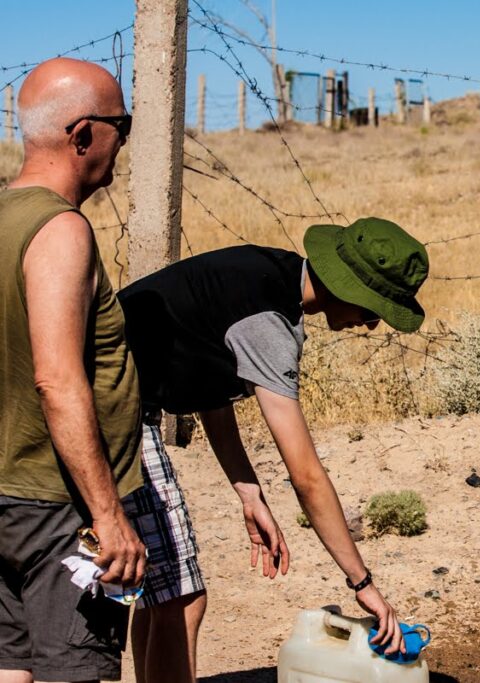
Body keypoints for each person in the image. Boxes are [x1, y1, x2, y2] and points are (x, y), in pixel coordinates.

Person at [118, 219, 430, 674]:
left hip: (107, 402)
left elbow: (210, 389)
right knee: (181, 597)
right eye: (372, 307)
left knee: (161, 591)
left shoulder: (270, 275)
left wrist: (249, 492)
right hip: (111, 412)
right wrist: (362, 583)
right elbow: (306, 475)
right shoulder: (269, 323)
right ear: (345, 286)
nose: (371, 323)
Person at [0, 58, 147, 682]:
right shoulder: (61, 230)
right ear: (84, 134)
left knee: (9, 664)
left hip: (7, 496)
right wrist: (107, 515)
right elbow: (57, 380)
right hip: (57, 508)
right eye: (123, 126)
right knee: (74, 670)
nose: (124, 142)